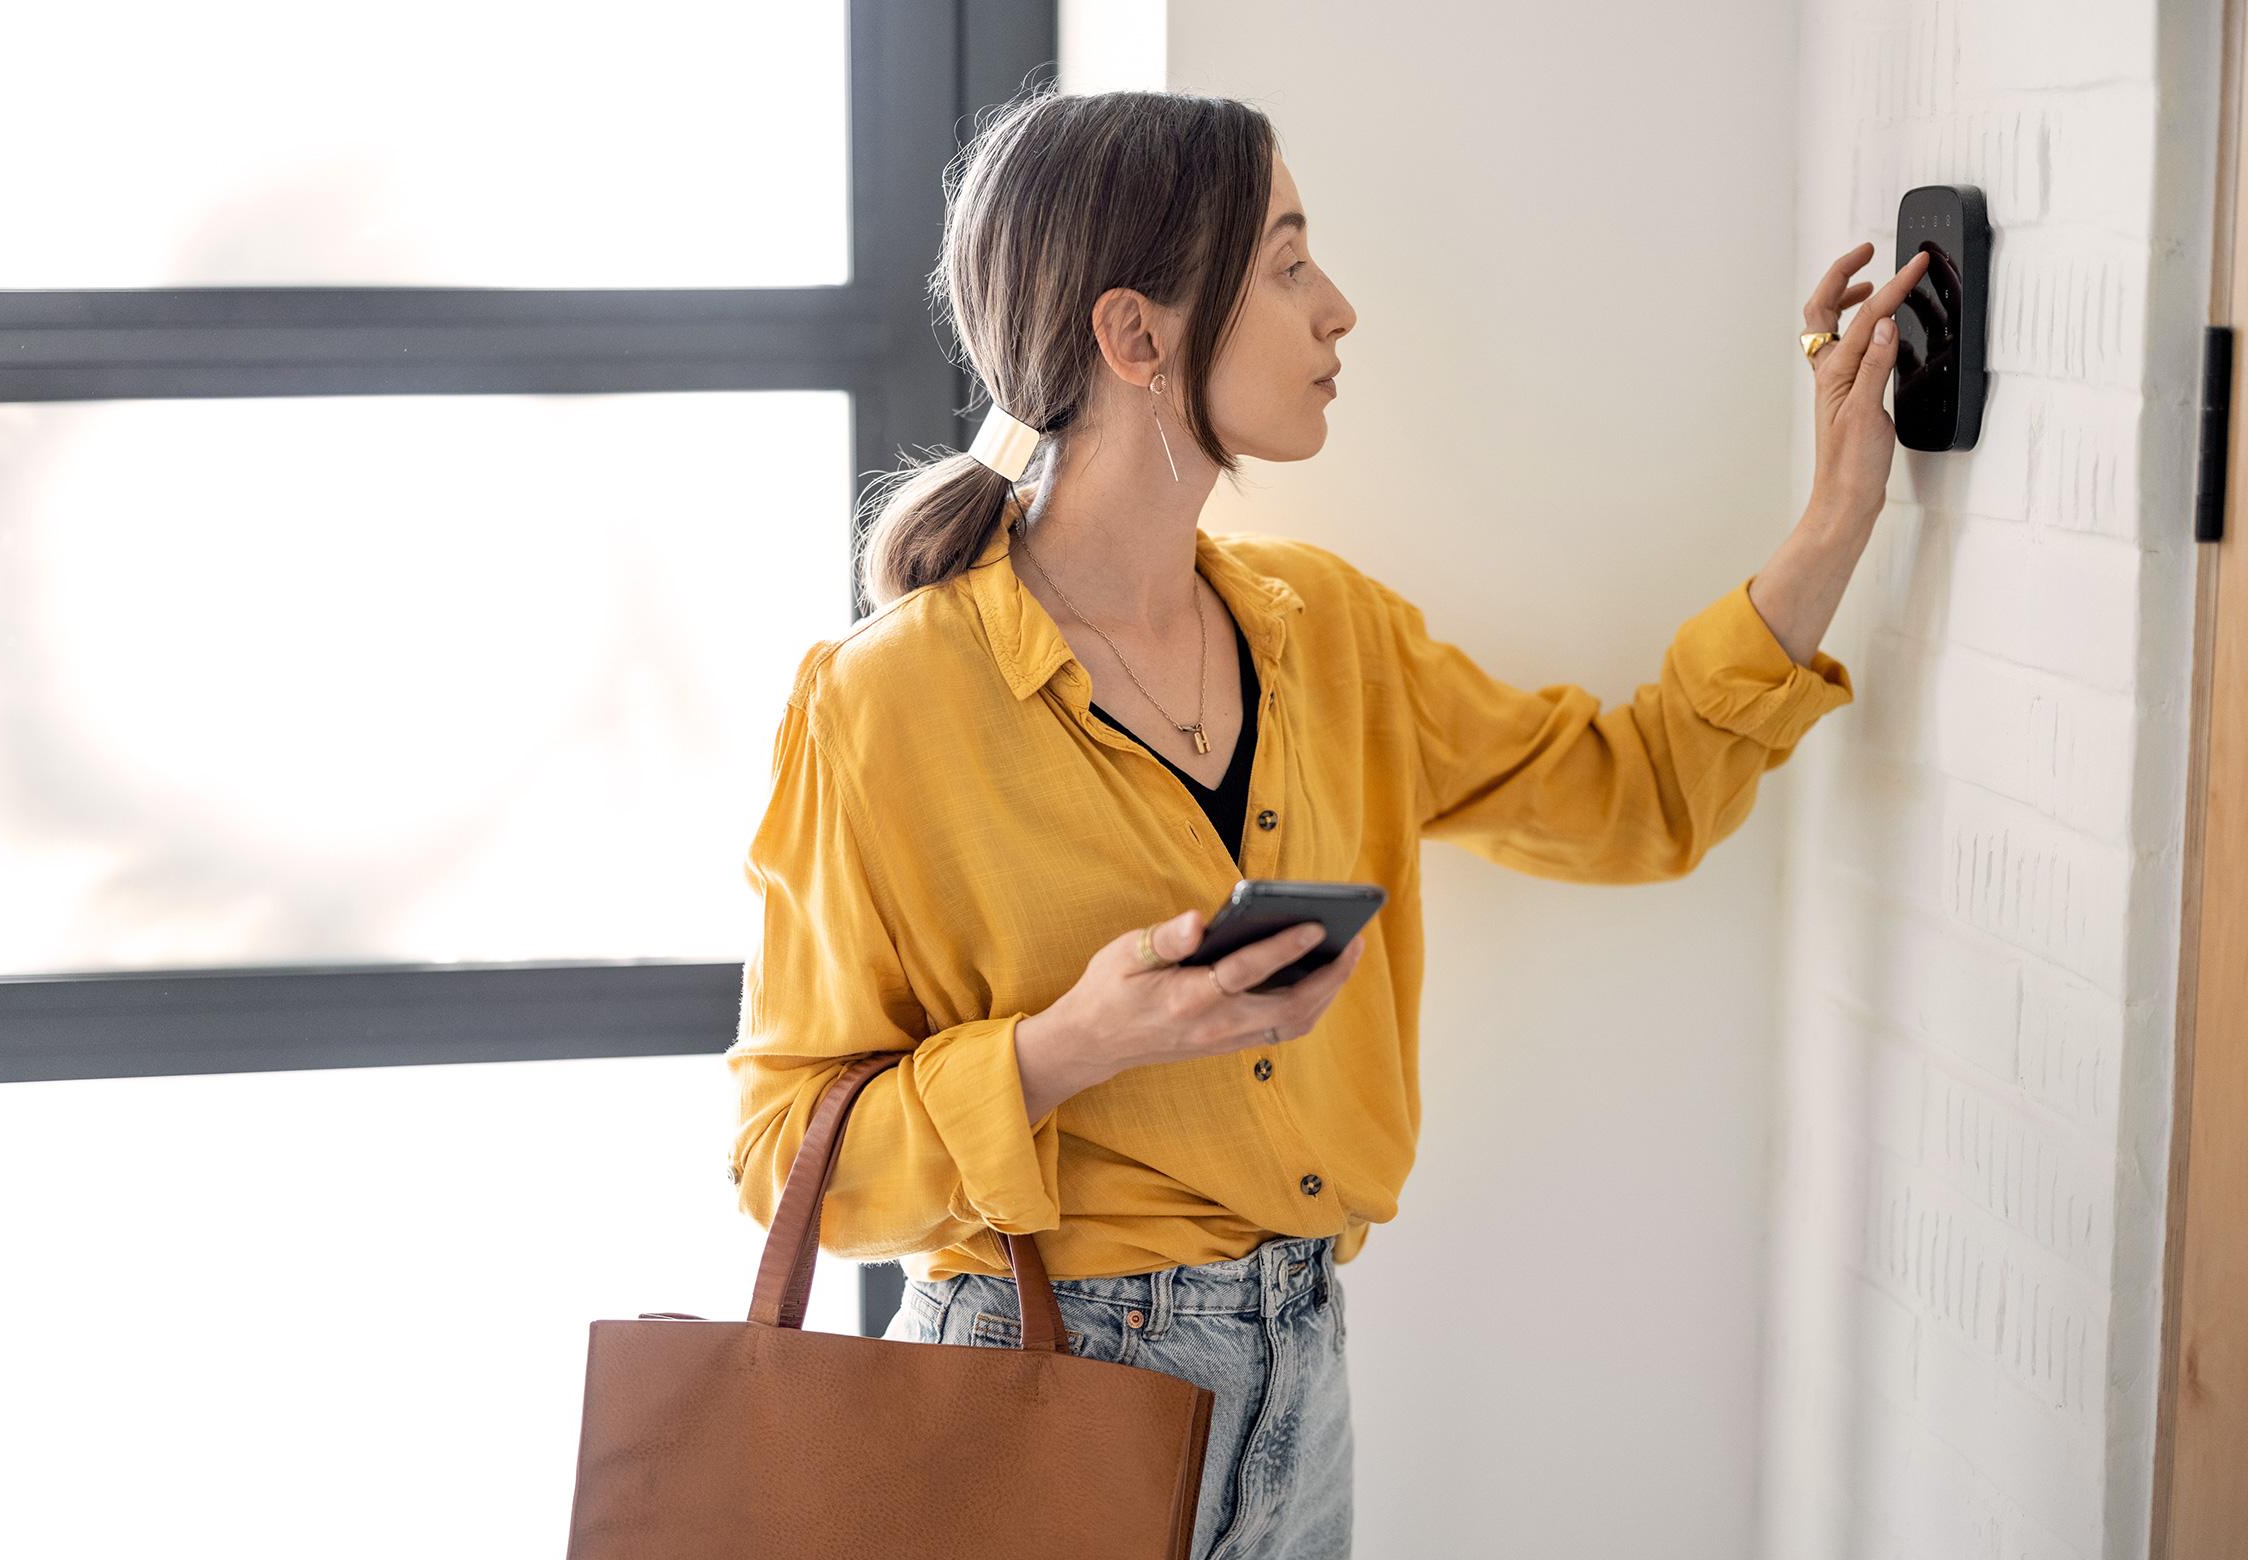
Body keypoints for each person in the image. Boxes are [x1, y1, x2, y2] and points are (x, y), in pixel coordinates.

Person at [723, 85, 1918, 1560]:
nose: (1336, 309)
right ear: (1134, 336)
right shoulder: (884, 705)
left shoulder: (1330, 633)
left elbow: (1629, 797)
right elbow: (786, 1160)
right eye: (1286, 263)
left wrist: (1839, 517)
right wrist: (1074, 1043)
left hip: (1303, 1368)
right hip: (1029, 1382)